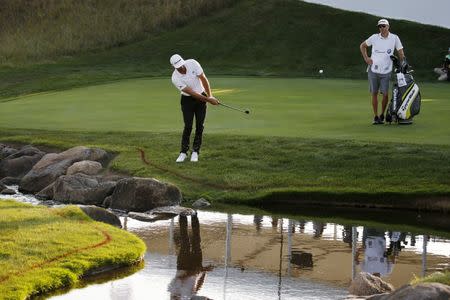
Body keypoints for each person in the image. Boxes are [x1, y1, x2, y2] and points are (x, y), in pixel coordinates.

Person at [170, 54, 220, 163]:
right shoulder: (175, 78)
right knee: (188, 126)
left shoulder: (192, 63)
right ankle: (183, 152)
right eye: (178, 67)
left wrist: (210, 96)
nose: (181, 68)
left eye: (182, 65)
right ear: (174, 67)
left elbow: (203, 78)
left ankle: (195, 151)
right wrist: (209, 100)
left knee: (199, 125)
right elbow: (192, 93)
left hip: (202, 96)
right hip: (187, 100)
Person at [360, 19, 405, 125]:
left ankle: (382, 115)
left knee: (385, 94)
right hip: (373, 70)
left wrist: (402, 63)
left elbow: (400, 52)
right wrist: (366, 58)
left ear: (388, 27)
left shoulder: (394, 38)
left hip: (386, 71)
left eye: (384, 26)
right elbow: (362, 46)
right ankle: (376, 116)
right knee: (374, 93)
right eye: (380, 26)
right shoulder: (374, 37)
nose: (382, 28)